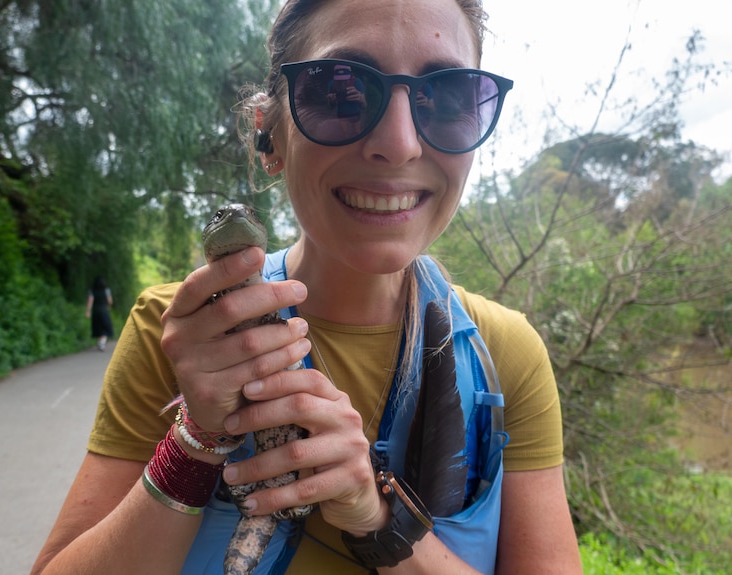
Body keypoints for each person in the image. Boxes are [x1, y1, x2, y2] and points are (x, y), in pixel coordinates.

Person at [32, 1, 583, 574]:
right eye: (340, 92)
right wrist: (196, 440)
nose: (398, 144)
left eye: (446, 99)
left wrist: (378, 517)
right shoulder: (173, 332)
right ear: (269, 136)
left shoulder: (507, 353)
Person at [85, 276, 113, 351]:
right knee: (105, 327)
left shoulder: (92, 291)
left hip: (95, 312)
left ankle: (100, 343)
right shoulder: (106, 290)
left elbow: (90, 301)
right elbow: (110, 301)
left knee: (97, 327)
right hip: (104, 311)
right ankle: (102, 343)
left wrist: (88, 311)